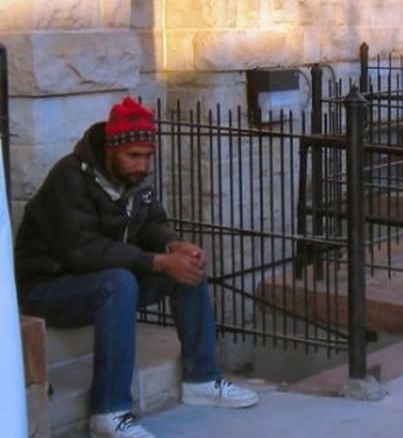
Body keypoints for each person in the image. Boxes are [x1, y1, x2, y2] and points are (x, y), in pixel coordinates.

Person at [14, 97, 258, 438]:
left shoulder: (137, 179)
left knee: (186, 269)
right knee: (119, 283)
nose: (142, 165)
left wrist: (174, 246)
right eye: (133, 156)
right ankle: (109, 411)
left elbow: (152, 223)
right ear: (111, 150)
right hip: (47, 288)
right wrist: (158, 261)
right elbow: (82, 252)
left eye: (147, 156)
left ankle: (202, 378)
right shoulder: (69, 178)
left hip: (101, 279)